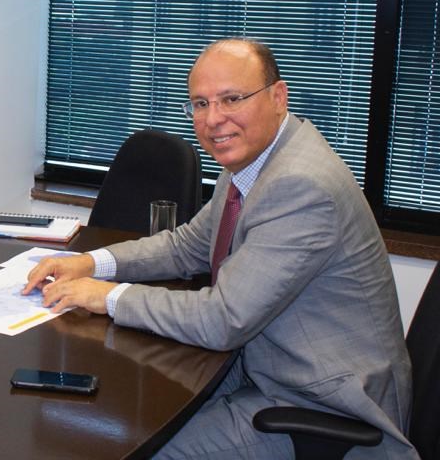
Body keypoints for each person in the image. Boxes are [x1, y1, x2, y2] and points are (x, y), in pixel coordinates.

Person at [23, 38, 415, 458]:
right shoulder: (253, 160)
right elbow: (187, 246)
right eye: (200, 103)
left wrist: (108, 296)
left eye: (232, 99)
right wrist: (91, 263)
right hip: (267, 367)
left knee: (143, 448)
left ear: (278, 97)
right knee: (122, 414)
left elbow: (223, 319)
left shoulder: (300, 186)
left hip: (320, 405)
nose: (213, 119)